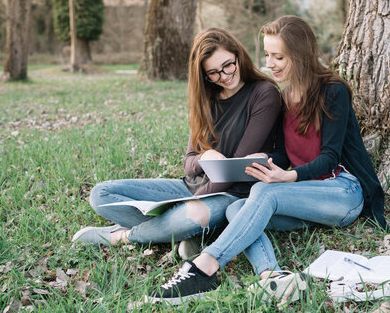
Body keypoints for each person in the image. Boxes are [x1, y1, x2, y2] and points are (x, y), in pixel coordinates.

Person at [146, 16, 387, 306]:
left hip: (343, 191)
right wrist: (264, 160)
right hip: (306, 197)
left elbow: (330, 157)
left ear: (300, 55)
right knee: (237, 207)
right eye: (268, 55)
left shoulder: (332, 91)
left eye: (278, 57)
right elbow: (286, 154)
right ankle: (271, 277)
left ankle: (204, 266)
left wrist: (288, 176)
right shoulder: (285, 97)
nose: (269, 64)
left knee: (263, 192)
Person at [71, 27, 282, 250]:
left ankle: (122, 236)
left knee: (190, 216)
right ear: (203, 75)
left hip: (231, 195)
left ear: (238, 55)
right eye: (214, 73)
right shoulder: (206, 100)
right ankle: (178, 232)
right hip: (189, 187)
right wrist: (204, 158)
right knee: (101, 194)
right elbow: (189, 164)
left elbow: (234, 170)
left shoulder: (263, 93)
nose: (225, 76)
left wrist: (187, 204)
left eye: (228, 65)